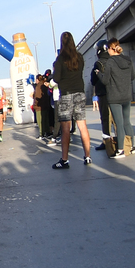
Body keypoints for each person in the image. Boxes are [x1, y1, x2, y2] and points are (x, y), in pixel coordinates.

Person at [50, 32, 92, 168]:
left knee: (66, 128)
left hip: (66, 95)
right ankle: (87, 157)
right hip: (79, 92)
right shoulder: (79, 57)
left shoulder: (60, 59)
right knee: (82, 125)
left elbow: (56, 79)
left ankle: (65, 159)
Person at [97, 37, 135, 158]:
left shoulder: (111, 62)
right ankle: (132, 147)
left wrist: (98, 74)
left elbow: (105, 80)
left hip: (114, 97)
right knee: (126, 122)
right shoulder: (128, 59)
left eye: (108, 49)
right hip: (126, 95)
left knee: (118, 124)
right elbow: (133, 76)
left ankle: (120, 150)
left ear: (110, 49)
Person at [91, 40, 112, 148]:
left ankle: (107, 142)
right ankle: (122, 141)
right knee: (117, 119)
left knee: (105, 118)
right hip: (115, 93)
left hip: (103, 93)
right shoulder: (113, 61)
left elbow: (93, 80)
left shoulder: (98, 64)